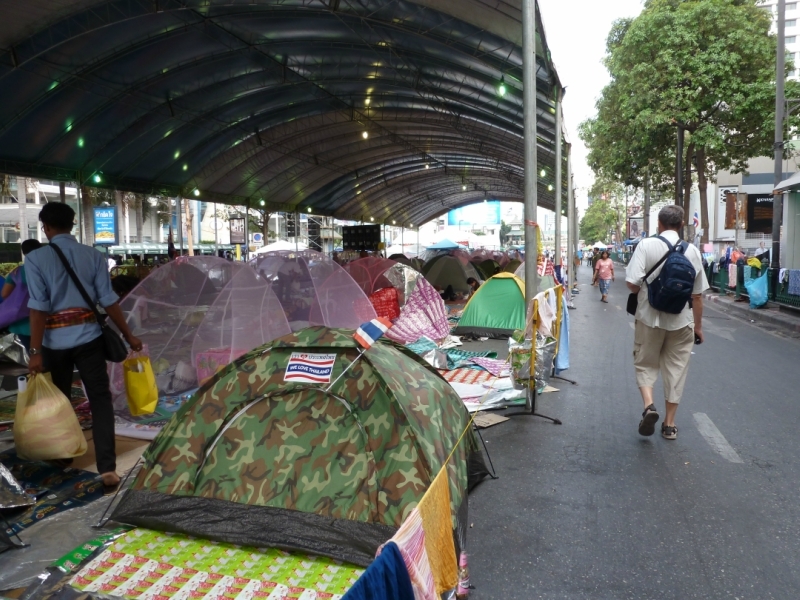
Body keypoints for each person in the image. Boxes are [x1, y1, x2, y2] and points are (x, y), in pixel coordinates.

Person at [25, 203, 143, 492]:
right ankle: (108, 469)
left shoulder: (36, 258)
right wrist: (128, 335)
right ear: (73, 224)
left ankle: (63, 456)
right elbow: (108, 299)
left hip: (54, 343)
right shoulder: (93, 255)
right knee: (100, 399)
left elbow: (38, 309)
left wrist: (36, 351)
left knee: (60, 400)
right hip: (89, 338)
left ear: (46, 228)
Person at [625, 205, 708, 440]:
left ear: (658, 224)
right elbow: (698, 295)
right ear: (681, 225)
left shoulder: (646, 245)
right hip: (681, 321)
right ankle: (669, 425)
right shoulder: (692, 250)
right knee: (677, 370)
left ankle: (649, 406)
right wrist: (698, 328)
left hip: (649, 318)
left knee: (645, 363)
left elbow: (632, 283)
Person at [1, 239, 42, 348]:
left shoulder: (18, 271)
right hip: (43, 319)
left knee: (32, 354)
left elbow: (5, 294)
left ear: (23, 252)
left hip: (21, 321)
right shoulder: (47, 269)